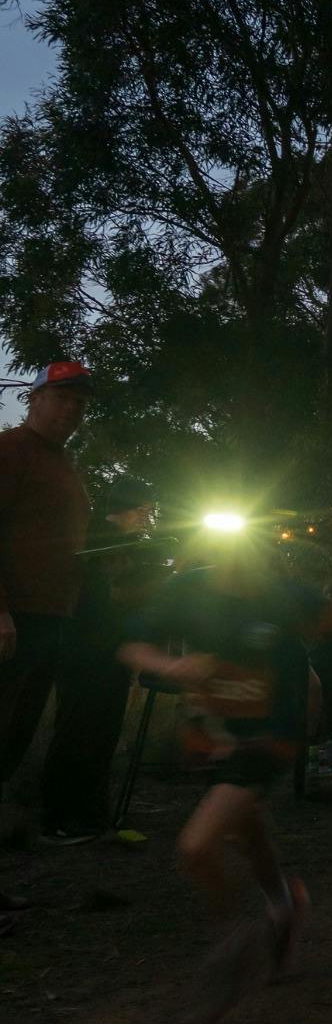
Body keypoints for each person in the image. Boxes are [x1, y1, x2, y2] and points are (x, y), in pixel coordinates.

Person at [118, 524, 332, 1024]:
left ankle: (236, 939)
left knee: (196, 847)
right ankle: (284, 907)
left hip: (270, 737)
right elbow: (132, 643)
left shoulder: (282, 594)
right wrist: (172, 667)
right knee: (247, 834)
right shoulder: (187, 589)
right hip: (215, 735)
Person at [0, 362, 93, 927]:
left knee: (11, 744)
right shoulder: (10, 451)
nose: (72, 409)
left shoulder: (63, 465)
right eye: (62, 398)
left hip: (50, 619)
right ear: (33, 399)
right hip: (15, 620)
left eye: (81, 403)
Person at [39, 476, 164, 842]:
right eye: (144, 510)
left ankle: (91, 814)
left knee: (102, 732)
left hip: (107, 651)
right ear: (128, 508)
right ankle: (61, 818)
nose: (146, 517)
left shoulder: (124, 544)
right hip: (85, 651)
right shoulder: (98, 541)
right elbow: (108, 597)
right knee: (80, 730)